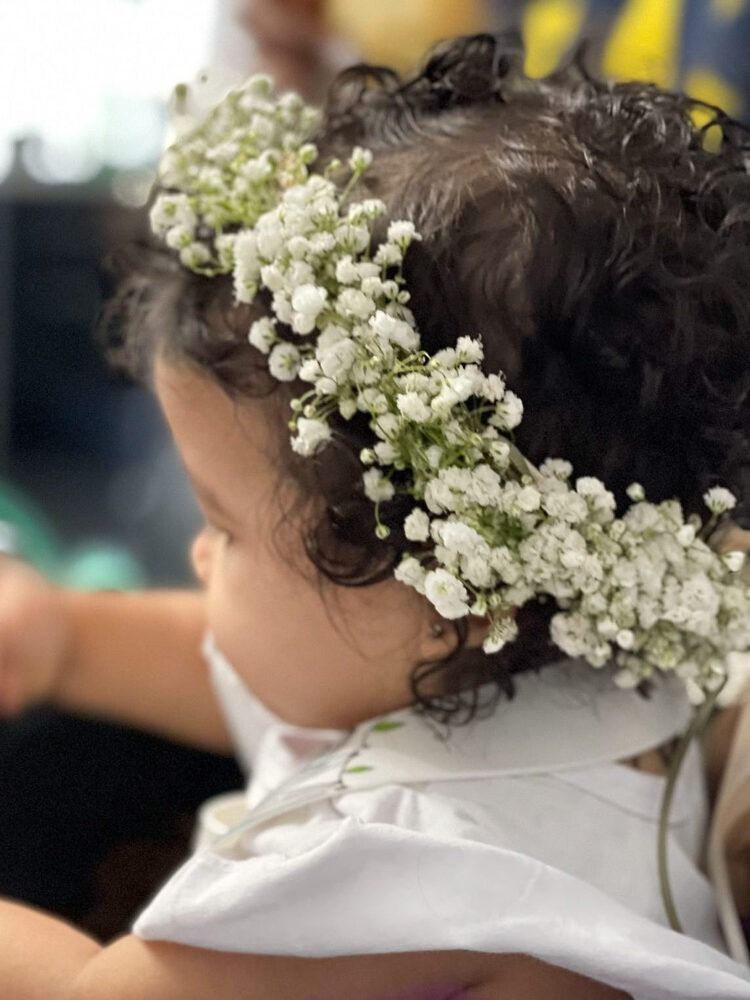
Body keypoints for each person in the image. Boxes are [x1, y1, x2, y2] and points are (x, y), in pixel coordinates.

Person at [3, 32, 750, 999]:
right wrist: (65, 637)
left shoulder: (408, 858)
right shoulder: (581, 663)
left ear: (457, 588)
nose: (195, 553)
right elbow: (295, 663)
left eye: (224, 527)